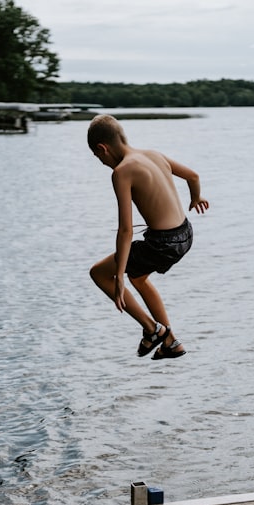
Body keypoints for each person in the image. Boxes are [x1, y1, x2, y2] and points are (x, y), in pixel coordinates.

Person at [87, 114, 209, 359]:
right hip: (185, 234)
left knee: (99, 273)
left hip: (162, 243)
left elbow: (126, 230)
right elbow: (193, 176)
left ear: (103, 148)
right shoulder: (154, 154)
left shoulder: (122, 172)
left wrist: (118, 275)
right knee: (139, 277)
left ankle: (152, 329)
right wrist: (195, 198)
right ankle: (171, 343)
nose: (101, 162)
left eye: (97, 157)